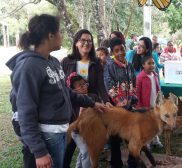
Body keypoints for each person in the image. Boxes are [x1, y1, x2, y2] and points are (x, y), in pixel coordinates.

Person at [5, 14, 104, 168]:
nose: (62, 36)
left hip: (59, 132)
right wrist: (39, 151)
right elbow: (25, 112)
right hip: (46, 136)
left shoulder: (52, 62)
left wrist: (92, 103)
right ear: (50, 35)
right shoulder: (28, 67)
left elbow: (66, 92)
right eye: (59, 32)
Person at [61, 29, 109, 168]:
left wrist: (106, 101)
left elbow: (101, 87)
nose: (86, 43)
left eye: (89, 41)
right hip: (71, 108)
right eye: (83, 40)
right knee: (69, 144)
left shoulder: (96, 63)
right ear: (76, 42)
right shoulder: (67, 62)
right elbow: (62, 86)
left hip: (89, 107)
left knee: (86, 143)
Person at [104, 37, 138, 168]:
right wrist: (122, 105)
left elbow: (133, 83)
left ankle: (132, 162)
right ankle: (116, 164)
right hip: (116, 111)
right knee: (115, 139)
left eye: (122, 49)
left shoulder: (129, 65)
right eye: (116, 51)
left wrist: (133, 99)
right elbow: (110, 88)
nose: (120, 53)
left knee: (132, 136)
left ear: (125, 48)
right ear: (112, 52)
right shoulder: (109, 66)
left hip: (129, 109)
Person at [66, 73, 98, 168]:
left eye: (85, 84)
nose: (84, 87)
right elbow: (73, 125)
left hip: (90, 131)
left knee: (83, 152)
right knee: (86, 150)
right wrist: (80, 115)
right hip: (77, 132)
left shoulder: (92, 97)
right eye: (80, 86)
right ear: (72, 90)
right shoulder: (72, 103)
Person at [136, 56, 164, 148]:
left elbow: (158, 88)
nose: (152, 65)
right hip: (145, 106)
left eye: (153, 63)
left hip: (155, 105)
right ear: (143, 65)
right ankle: (146, 143)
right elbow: (137, 93)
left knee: (155, 122)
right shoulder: (140, 77)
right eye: (149, 63)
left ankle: (155, 140)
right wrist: (139, 106)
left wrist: (160, 98)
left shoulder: (155, 75)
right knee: (146, 125)